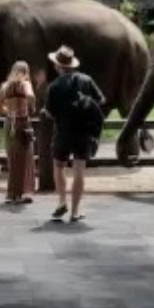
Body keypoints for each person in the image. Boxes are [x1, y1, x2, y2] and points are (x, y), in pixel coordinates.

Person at [43, 45, 104, 222]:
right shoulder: (87, 80)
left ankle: (62, 201)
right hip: (83, 132)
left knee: (59, 166)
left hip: (63, 132)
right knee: (79, 169)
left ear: (57, 65)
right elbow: (101, 100)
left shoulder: (53, 87)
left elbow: (50, 112)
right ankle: (75, 211)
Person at [0, 61, 36, 205]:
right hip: (23, 122)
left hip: (9, 123)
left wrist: (9, 111)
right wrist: (32, 107)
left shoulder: (4, 86)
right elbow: (30, 96)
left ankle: (12, 193)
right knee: (26, 158)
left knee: (12, 159)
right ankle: (24, 192)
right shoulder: (25, 84)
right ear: (26, 72)